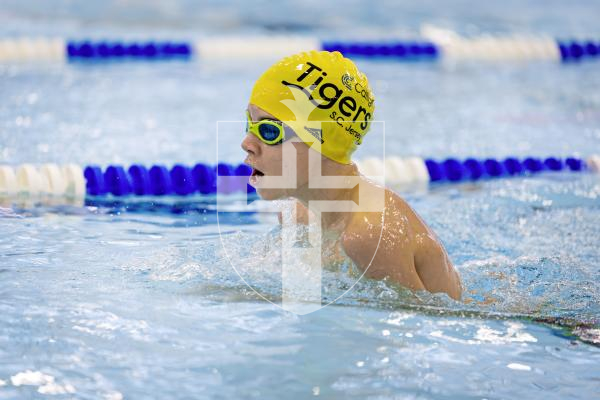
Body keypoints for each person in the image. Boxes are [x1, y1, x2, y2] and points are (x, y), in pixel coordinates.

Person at [241, 50, 462, 301]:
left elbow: (422, 318)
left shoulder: (370, 233)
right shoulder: (298, 215)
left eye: (269, 131)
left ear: (321, 142)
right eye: (249, 124)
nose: (246, 143)